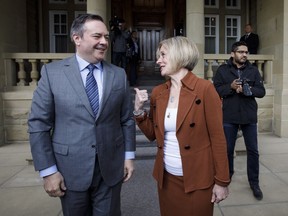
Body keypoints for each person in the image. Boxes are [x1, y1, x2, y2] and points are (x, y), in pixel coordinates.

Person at [28, 14, 136, 216]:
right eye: (97, 36)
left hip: (110, 169)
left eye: (106, 37)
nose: (104, 42)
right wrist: (48, 171)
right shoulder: (52, 73)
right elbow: (38, 125)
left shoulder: (118, 75)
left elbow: (126, 119)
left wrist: (128, 156)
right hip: (70, 171)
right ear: (77, 38)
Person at [133, 36, 230, 216]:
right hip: (167, 179)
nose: (158, 60)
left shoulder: (205, 89)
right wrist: (138, 111)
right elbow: (152, 134)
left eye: (163, 55)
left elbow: (218, 139)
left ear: (180, 55)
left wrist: (222, 181)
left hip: (198, 179)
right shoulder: (158, 92)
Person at [213, 41, 266, 200]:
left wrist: (248, 91)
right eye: (241, 52)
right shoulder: (223, 70)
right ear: (232, 53)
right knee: (227, 150)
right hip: (229, 115)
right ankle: (227, 175)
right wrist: (231, 87)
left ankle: (254, 182)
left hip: (249, 116)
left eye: (246, 52)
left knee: (253, 151)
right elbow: (215, 90)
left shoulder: (253, 70)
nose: (244, 55)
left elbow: (261, 91)